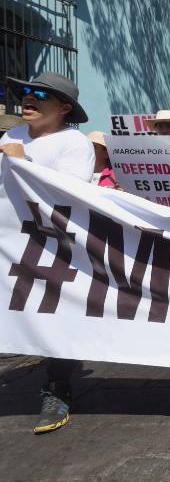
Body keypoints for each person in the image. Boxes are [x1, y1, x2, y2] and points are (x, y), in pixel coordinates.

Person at [0, 72, 94, 434]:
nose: (28, 98)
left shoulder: (75, 144)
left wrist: (24, 162)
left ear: (64, 108)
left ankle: (56, 388)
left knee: (57, 313)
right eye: (25, 92)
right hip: (11, 241)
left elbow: (68, 196)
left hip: (49, 246)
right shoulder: (11, 135)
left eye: (40, 94)